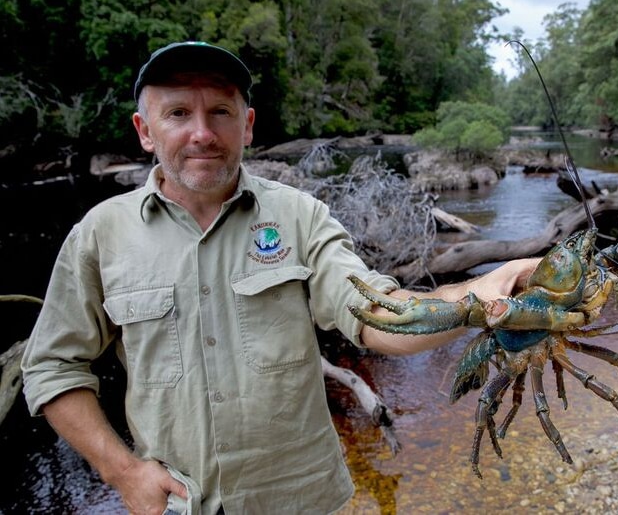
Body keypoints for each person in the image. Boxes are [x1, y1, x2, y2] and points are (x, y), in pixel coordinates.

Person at [21, 41, 537, 515]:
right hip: (177, 505)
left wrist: (479, 296)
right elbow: (52, 366)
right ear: (144, 131)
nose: (202, 132)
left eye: (219, 112)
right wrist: (124, 472)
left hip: (302, 500)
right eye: (178, 113)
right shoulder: (99, 234)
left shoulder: (300, 216)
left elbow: (379, 315)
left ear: (246, 126)